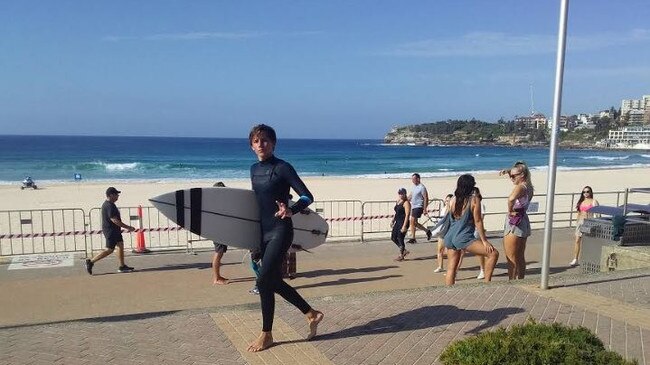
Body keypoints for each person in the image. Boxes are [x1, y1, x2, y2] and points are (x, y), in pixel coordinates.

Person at [247, 124, 323, 352]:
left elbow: (307, 196)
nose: (262, 144)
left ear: (274, 143)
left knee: (262, 281)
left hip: (281, 229)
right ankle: (311, 314)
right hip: (263, 231)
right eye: (257, 141)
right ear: (252, 146)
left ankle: (266, 334)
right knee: (269, 281)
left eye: (266, 140)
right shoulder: (253, 169)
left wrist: (291, 210)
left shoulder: (282, 168)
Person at [443, 174, 499, 286]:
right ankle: (487, 284)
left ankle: (448, 292)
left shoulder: (453, 200)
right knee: (493, 254)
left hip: (450, 236)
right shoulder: (474, 200)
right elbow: (478, 221)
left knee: (451, 268)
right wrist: (484, 240)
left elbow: (449, 218)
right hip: (463, 236)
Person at [85, 187, 135, 275]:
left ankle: (122, 266)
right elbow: (114, 220)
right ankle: (91, 262)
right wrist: (128, 227)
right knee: (109, 250)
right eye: (116, 194)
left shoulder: (111, 204)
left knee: (120, 245)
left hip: (115, 230)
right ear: (111, 195)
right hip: (110, 231)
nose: (118, 196)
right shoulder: (109, 205)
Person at [500, 161, 534, 280]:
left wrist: (510, 211)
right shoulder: (529, 187)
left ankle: (512, 283)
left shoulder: (520, 187)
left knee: (511, 257)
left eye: (514, 176)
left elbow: (511, 199)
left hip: (515, 221)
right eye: (511, 175)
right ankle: (521, 280)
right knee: (520, 256)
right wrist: (508, 171)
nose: (511, 178)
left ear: (522, 175)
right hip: (523, 218)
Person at [571, 186, 599, 266]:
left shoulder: (594, 201)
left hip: (589, 222)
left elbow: (597, 214)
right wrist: (577, 222)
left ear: (590, 192)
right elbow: (579, 213)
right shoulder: (581, 201)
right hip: (580, 222)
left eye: (587, 191)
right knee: (577, 241)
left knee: (588, 242)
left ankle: (590, 259)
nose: (585, 193)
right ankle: (575, 259)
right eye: (584, 192)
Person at [211, 182, 230, 285]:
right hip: (218, 231)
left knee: (219, 253)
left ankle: (217, 276)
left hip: (219, 231)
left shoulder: (214, 202)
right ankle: (216, 278)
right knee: (218, 253)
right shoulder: (217, 203)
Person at [407, 173, 432, 243]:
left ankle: (413, 238)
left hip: (419, 206)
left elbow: (426, 198)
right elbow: (410, 196)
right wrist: (404, 201)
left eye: (413, 179)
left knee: (412, 221)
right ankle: (427, 231)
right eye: (412, 179)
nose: (412, 180)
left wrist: (425, 209)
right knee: (415, 223)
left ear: (418, 179)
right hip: (413, 206)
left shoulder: (422, 187)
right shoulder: (414, 187)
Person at [433, 194, 453, 273]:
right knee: (440, 250)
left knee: (449, 251)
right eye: (446, 200)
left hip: (449, 231)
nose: (446, 202)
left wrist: (449, 207)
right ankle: (440, 266)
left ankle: (450, 267)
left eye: (448, 201)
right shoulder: (444, 209)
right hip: (442, 231)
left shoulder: (452, 209)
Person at [390, 188, 411, 261]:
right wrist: (393, 220)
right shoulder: (398, 201)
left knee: (400, 238)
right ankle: (404, 250)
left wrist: (404, 226)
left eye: (402, 193)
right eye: (399, 193)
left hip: (403, 222)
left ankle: (401, 255)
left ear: (405, 194)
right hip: (397, 221)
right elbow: (396, 212)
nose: (401, 195)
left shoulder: (406, 203)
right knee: (393, 237)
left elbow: (407, 215)